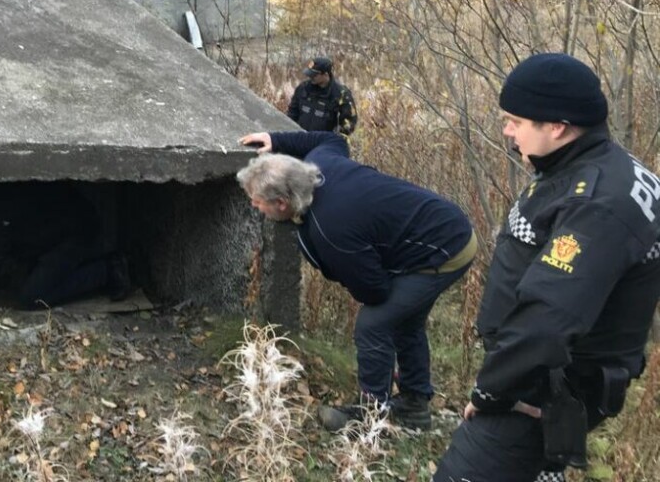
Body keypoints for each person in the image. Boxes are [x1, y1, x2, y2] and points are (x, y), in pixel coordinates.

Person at [434, 53, 660, 482]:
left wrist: (490, 393)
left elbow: (549, 316)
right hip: (547, 383)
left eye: (515, 121)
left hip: (538, 391)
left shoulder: (596, 202)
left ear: (556, 126)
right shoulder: (595, 165)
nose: (507, 130)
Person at [237, 130, 476, 430]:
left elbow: (375, 291)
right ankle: (414, 406)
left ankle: (370, 415)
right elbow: (331, 139)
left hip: (443, 248)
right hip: (441, 226)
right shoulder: (319, 163)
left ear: (282, 203)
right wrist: (278, 140)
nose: (254, 207)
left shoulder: (331, 229)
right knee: (404, 317)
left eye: (257, 202)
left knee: (374, 323)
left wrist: (359, 270)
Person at [0, 181, 131, 308]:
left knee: (32, 298)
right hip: (46, 240)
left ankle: (107, 270)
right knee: (30, 283)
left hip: (73, 231)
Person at [286, 56, 358, 135]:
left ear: (326, 74)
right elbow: (292, 114)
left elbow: (349, 122)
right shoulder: (303, 88)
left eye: (314, 75)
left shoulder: (342, 94)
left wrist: (335, 138)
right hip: (301, 139)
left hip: (325, 143)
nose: (311, 77)